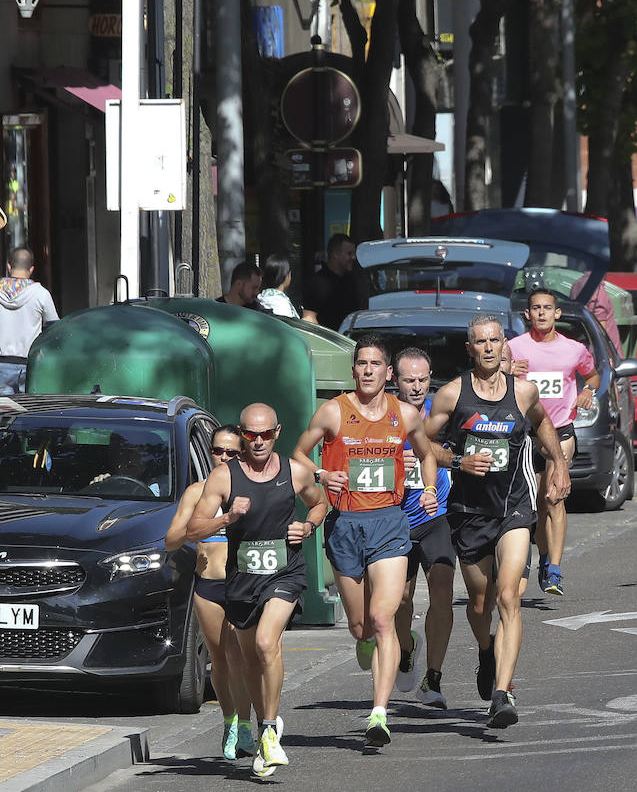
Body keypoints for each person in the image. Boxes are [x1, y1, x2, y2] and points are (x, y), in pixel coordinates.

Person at [424, 313, 568, 728]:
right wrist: (458, 460)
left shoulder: (523, 392)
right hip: (469, 514)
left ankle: (502, 695)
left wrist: (557, 462)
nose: (488, 348)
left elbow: (542, 423)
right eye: (480, 342)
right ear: (469, 349)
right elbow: (425, 443)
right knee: (480, 603)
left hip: (514, 509)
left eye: (494, 341)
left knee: (509, 597)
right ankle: (487, 652)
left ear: (505, 345)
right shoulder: (453, 395)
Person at [292, 334, 437, 747]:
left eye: (376, 364)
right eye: (362, 364)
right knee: (360, 627)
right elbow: (299, 454)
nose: (369, 371)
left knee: (382, 618)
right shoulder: (333, 412)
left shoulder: (405, 415)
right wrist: (322, 475)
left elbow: (427, 454)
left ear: (388, 373)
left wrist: (427, 489)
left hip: (390, 523)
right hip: (346, 525)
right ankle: (371, 642)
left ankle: (379, 713)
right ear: (353, 371)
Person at [189, 404, 326, 779]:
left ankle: (268, 728)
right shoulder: (223, 477)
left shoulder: (295, 471)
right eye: (252, 434)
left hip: (285, 572)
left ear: (277, 432)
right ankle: (263, 727)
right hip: (242, 580)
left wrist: (308, 527)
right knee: (249, 660)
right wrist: (227, 518)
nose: (259, 441)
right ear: (243, 434)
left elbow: (320, 503)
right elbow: (192, 530)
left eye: (266, 434)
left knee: (267, 643)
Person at [164, 425, 253, 760]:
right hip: (209, 585)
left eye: (232, 452)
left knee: (239, 656)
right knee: (219, 660)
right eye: (219, 451)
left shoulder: (250, 491)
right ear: (210, 452)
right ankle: (230, 720)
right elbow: (172, 540)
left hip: (244, 584)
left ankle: (245, 724)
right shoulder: (197, 493)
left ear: (243, 454)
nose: (224, 457)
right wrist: (214, 524)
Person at [508, 289, 600, 595]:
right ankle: (545, 556)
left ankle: (555, 570)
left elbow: (593, 375)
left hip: (561, 431)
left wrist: (588, 391)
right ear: (528, 314)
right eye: (536, 308)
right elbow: (493, 380)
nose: (542, 313)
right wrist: (507, 371)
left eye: (548, 308)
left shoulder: (574, 349)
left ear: (557, 314)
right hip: (526, 434)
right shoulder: (513, 348)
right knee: (536, 505)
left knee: (554, 498)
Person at [389, 348, 455, 708]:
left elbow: (456, 450)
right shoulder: (383, 415)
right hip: (396, 519)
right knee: (400, 599)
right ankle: (407, 646)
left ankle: (433, 679)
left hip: (435, 515)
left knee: (443, 592)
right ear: (394, 380)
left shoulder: (441, 413)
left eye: (423, 379)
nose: (417, 387)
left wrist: (434, 452)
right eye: (409, 380)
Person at [0, 247, 58, 394]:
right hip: (30, 367)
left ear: (9, 266)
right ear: (31, 269)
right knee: (28, 414)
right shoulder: (41, 294)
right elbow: (54, 328)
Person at [301, 234, 364, 331]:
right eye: (349, 253)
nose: (353, 257)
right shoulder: (317, 283)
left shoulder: (351, 280)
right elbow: (308, 317)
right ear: (335, 254)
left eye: (354, 253)